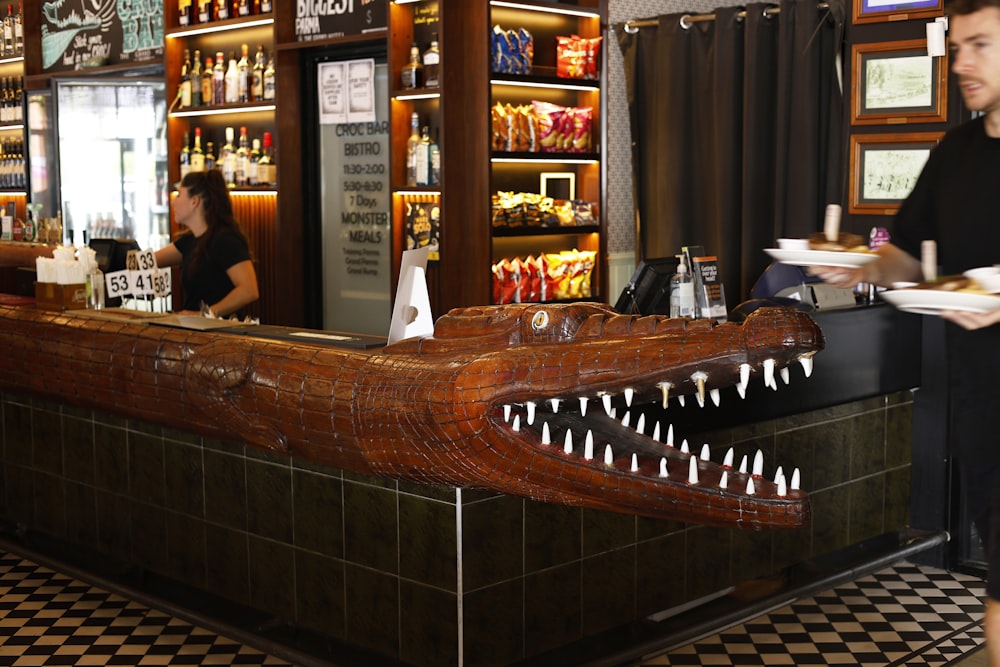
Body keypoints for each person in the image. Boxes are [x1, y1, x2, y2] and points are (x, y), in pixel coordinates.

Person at [809, 0, 1000, 659]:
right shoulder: (957, 152)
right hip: (983, 413)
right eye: (957, 47)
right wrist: (855, 257)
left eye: (979, 44)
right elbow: (906, 255)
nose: (961, 62)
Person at [155, 169, 259, 317]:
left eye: (179, 195)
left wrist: (205, 315)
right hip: (193, 333)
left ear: (194, 201)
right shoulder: (189, 241)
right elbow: (148, 261)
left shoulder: (225, 240)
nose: (173, 202)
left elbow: (249, 290)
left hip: (219, 334)